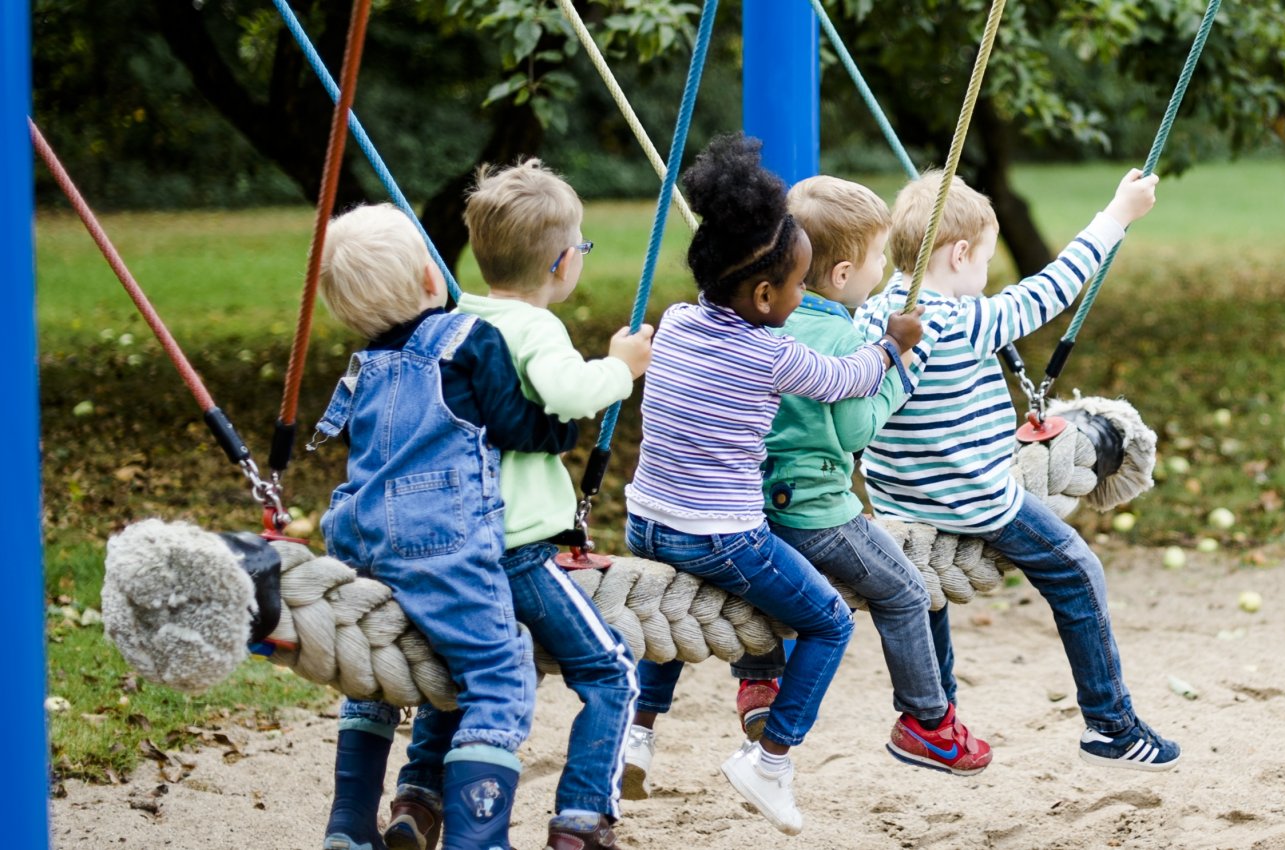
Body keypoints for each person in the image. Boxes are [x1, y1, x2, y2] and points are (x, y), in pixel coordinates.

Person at [619, 133, 923, 836]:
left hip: (645, 519)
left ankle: (637, 732)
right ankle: (771, 760)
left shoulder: (680, 320)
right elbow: (852, 380)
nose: (801, 296)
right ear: (763, 294)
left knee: (670, 609)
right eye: (796, 286)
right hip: (719, 534)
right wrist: (896, 344)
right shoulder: (773, 353)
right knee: (829, 620)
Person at [857, 168, 1183, 772]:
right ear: (958, 254)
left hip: (899, 503)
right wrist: (1119, 213)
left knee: (927, 593)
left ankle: (937, 717)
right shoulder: (964, 321)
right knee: (1077, 573)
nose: (985, 278)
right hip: (974, 500)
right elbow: (1055, 286)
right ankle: (1110, 725)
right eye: (983, 260)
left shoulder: (873, 318)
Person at [379, 160, 655, 850]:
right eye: (583, 249)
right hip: (521, 553)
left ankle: (417, 798)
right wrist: (624, 366)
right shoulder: (535, 330)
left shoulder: (455, 318)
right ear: (563, 263)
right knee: (611, 671)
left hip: (453, 547)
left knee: (468, 669)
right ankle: (581, 818)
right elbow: (567, 395)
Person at [310, 203, 572, 850]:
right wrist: (563, 429)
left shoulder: (363, 365)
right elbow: (515, 424)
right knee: (499, 672)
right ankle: (476, 838)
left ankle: (348, 825)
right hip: (439, 533)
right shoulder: (467, 339)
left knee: (375, 669)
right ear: (433, 279)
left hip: (359, 530)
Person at [723, 175, 990, 776]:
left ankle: (757, 683)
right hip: (815, 513)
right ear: (843, 275)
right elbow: (854, 432)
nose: (886, 270)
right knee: (903, 591)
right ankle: (927, 722)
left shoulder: (755, 317)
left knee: (756, 589)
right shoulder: (843, 335)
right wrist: (900, 366)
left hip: (745, 508)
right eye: (877, 257)